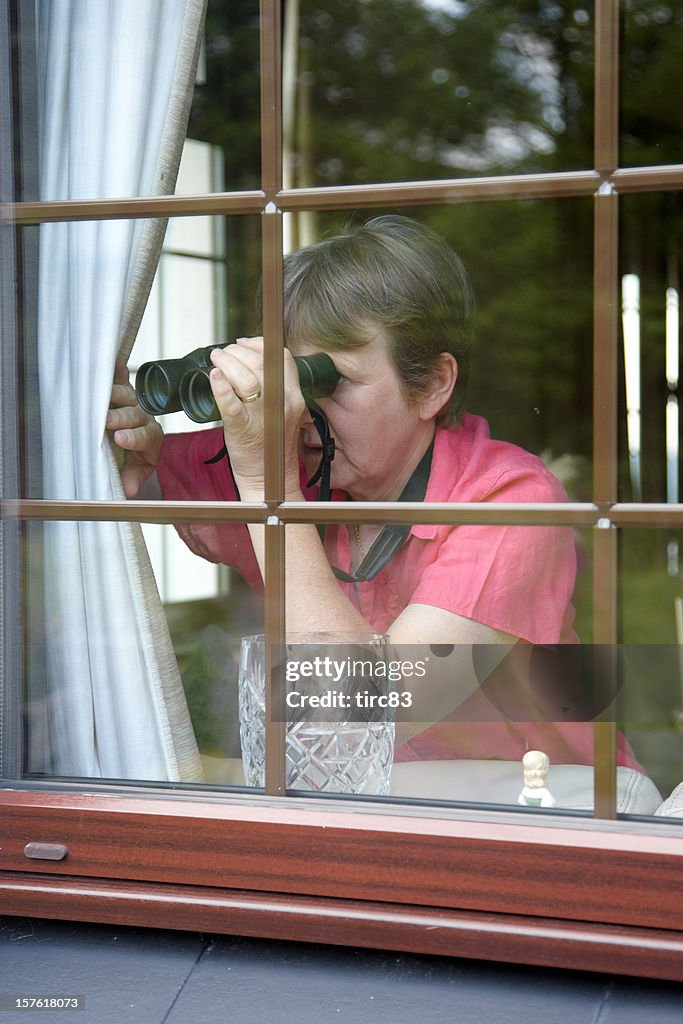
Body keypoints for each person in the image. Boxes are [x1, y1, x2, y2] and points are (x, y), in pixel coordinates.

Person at [107, 215, 642, 770]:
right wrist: (130, 444)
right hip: (377, 803)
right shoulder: (279, 457)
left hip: (535, 806)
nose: (300, 414)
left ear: (433, 385)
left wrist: (268, 488)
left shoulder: (510, 501)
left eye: (327, 381)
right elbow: (117, 474)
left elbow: (363, 708)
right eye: (292, 381)